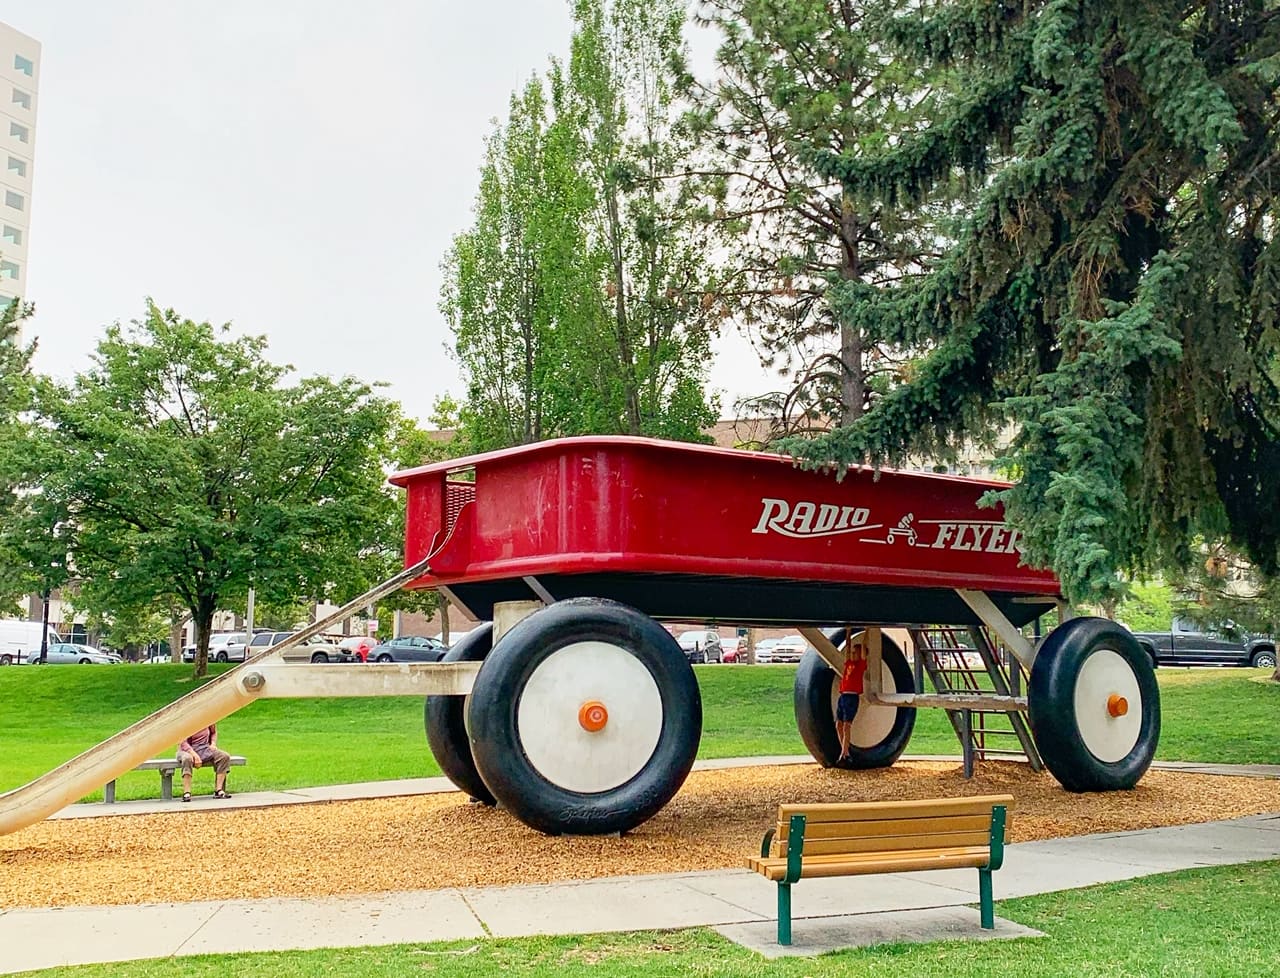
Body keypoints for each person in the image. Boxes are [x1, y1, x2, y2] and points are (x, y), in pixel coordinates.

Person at [177, 723, 233, 802]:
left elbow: (213, 732)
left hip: (205, 748)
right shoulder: (187, 721)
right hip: (187, 750)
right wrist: (194, 755)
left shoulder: (208, 719)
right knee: (187, 759)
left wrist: (213, 744)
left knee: (224, 756)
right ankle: (187, 793)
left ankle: (219, 790)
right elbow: (182, 742)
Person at [836, 640, 868, 764]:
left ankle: (843, 754)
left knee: (846, 726)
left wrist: (866, 633)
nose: (853, 654)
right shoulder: (849, 663)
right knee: (838, 725)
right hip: (843, 696)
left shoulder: (861, 665)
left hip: (852, 697)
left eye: (856, 653)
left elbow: (864, 652)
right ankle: (846, 752)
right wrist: (848, 634)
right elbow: (848, 650)